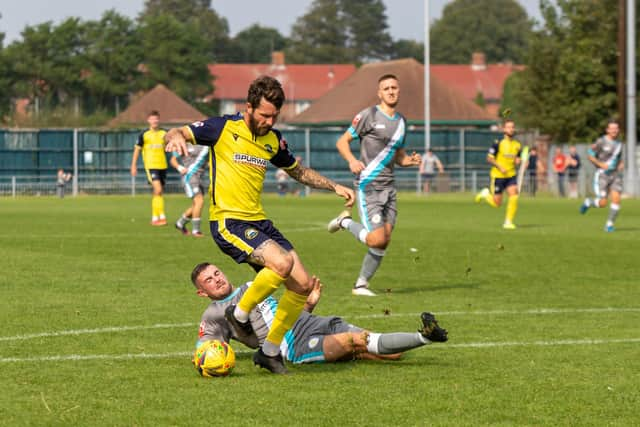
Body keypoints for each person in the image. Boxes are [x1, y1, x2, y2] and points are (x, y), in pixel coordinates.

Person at [164, 76, 355, 374]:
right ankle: (238, 313)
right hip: (229, 220)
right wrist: (174, 137)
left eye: (274, 116)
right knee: (281, 263)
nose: (268, 121)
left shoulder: (272, 140)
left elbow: (298, 171)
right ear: (249, 107)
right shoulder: (223, 127)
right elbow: (177, 132)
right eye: (264, 114)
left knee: (302, 286)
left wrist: (334, 186)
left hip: (259, 221)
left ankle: (268, 352)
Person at [191, 262, 448, 370]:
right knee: (356, 341)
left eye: (217, 273)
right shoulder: (213, 314)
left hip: (308, 322)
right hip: (290, 345)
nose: (217, 279)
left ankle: (422, 337)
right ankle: (425, 336)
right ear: (202, 292)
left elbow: (280, 316)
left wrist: (308, 304)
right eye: (209, 280)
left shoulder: (251, 286)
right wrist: (211, 362)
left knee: (393, 354)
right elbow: (206, 350)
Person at [326, 74, 422, 297]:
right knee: (376, 238)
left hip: (390, 189)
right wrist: (352, 160)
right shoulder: (368, 115)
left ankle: (361, 285)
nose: (391, 91)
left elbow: (398, 156)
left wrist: (410, 161)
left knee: (384, 241)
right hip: (368, 186)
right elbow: (342, 142)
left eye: (394, 88)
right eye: (386, 88)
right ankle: (345, 222)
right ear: (379, 93)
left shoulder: (402, 122)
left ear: (399, 91)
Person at [474, 119, 524, 229]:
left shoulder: (517, 145)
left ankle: (508, 222)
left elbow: (517, 159)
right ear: (504, 129)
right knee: (497, 203)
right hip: (498, 176)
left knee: (514, 195)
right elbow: (489, 158)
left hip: (511, 175)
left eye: (512, 127)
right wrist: (500, 167)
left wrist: (518, 161)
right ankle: (485, 194)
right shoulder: (498, 143)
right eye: (509, 127)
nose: (511, 129)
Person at [579, 120, 624, 232]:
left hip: (615, 175)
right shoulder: (601, 141)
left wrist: (620, 164)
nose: (614, 130)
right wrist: (600, 164)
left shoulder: (619, 144)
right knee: (603, 203)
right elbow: (590, 155)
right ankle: (588, 202)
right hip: (602, 175)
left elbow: (618, 158)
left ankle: (609, 225)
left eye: (616, 128)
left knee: (616, 199)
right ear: (607, 130)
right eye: (612, 128)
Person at [130, 110, 168, 226]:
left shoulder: (164, 134)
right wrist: (133, 165)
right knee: (158, 189)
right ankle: (161, 216)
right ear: (148, 120)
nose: (154, 121)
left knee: (158, 193)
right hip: (151, 166)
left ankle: (155, 218)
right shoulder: (144, 134)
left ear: (159, 120)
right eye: (152, 119)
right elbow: (137, 150)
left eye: (156, 118)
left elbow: (168, 146)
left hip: (163, 165)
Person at [169, 144, 210, 237]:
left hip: (199, 177)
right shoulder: (184, 143)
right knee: (199, 201)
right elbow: (173, 160)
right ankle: (196, 231)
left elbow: (207, 161)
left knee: (196, 205)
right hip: (189, 176)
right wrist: (180, 168)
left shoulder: (206, 144)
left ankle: (180, 223)